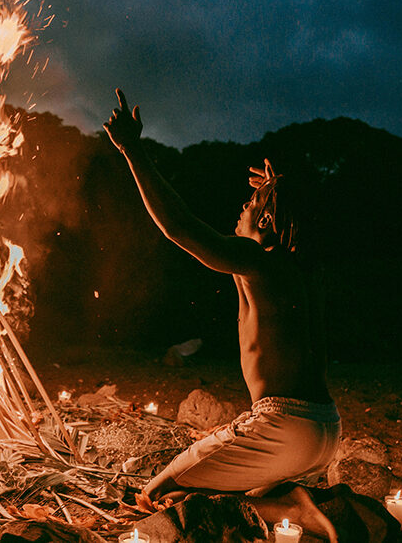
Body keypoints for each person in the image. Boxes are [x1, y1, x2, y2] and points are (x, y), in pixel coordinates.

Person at [104, 88, 341, 541]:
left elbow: (180, 227)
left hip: (284, 423)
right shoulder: (306, 273)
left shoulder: (261, 261)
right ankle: (290, 496)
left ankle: (288, 505)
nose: (242, 209)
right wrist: (280, 189)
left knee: (157, 497)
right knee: (200, 490)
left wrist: (133, 151)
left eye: (250, 206)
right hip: (324, 427)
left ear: (267, 224)